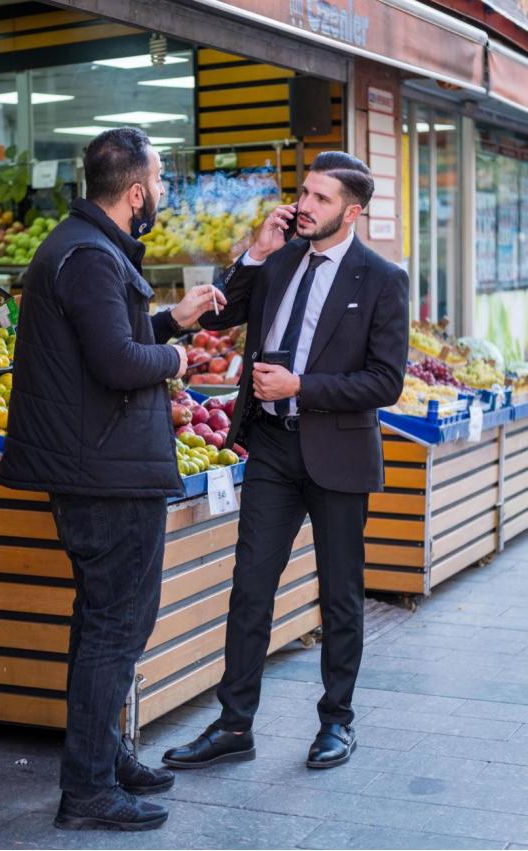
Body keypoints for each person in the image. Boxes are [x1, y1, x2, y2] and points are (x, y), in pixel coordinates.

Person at [0, 127, 226, 831]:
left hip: (98, 462)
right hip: (104, 471)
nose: (160, 193)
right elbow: (119, 363)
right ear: (134, 193)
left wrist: (169, 321)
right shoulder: (90, 256)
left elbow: (107, 337)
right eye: (158, 182)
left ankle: (104, 756)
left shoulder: (83, 247)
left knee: (102, 623)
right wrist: (181, 359)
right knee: (114, 629)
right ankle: (90, 788)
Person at [162, 151, 409, 771]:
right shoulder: (279, 259)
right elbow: (222, 311)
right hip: (270, 447)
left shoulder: (381, 278)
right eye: (304, 192)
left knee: (341, 594)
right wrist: (255, 253)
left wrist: (301, 386)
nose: (304, 205)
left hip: (338, 452)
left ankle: (337, 723)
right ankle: (234, 725)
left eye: (321, 199)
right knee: (249, 590)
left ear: (351, 212)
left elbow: (385, 382)